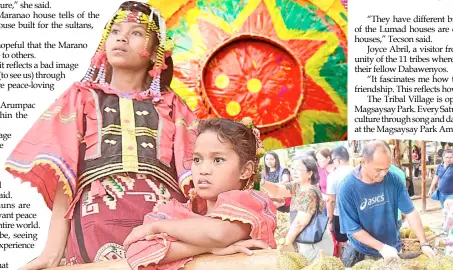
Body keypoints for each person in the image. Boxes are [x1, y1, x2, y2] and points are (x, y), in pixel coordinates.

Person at [3, 2, 197, 268]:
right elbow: (65, 179)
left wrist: (214, 238)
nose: (122, 37)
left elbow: (199, 179)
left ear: (156, 54)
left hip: (163, 224)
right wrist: (51, 252)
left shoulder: (174, 107)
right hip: (94, 222)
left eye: (136, 33)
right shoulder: (80, 98)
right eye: (115, 31)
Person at [123, 118, 276, 269]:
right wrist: (208, 249)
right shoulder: (175, 212)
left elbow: (219, 233)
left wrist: (156, 227)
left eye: (217, 160)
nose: (203, 170)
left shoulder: (252, 201)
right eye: (197, 159)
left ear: (245, 170)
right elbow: (137, 252)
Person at [338, 141, 435, 267]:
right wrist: (382, 248)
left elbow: (410, 211)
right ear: (363, 162)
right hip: (364, 252)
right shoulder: (347, 188)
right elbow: (352, 229)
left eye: (387, 168)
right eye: (378, 170)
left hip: (393, 247)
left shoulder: (393, 179)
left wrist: (424, 243)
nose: (383, 174)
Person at [260, 155, 334, 262]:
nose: (294, 172)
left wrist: (285, 245)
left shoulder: (309, 191)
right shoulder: (297, 185)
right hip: (307, 241)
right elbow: (277, 190)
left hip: (314, 244)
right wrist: (261, 182)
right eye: (293, 168)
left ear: (310, 173)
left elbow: (299, 223)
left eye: (298, 169)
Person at [326, 146, 355, 257]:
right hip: (358, 212)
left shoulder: (333, 176)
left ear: (337, 160)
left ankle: (346, 264)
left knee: (342, 242)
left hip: (340, 214)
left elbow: (330, 200)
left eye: (333, 161)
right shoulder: (358, 171)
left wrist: (330, 220)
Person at [316, 147, 336, 218]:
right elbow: (316, 188)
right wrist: (323, 196)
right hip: (326, 205)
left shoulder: (337, 168)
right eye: (317, 159)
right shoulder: (319, 171)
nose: (318, 161)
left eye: (320, 159)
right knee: (330, 226)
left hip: (340, 204)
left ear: (328, 158)